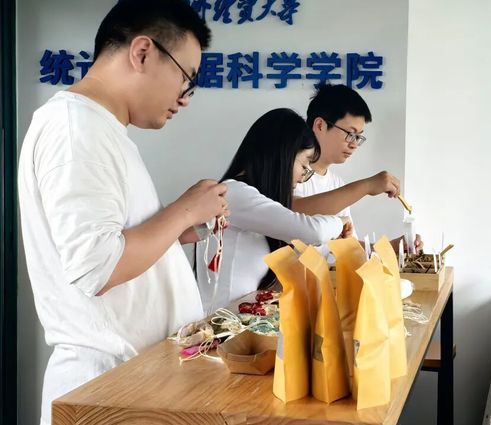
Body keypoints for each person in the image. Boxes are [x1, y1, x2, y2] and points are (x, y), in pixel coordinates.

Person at [17, 1, 226, 423]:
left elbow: (117, 242)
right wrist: (184, 210)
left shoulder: (100, 128)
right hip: (106, 389)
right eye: (185, 77)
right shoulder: (76, 128)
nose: (185, 98)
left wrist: (181, 228)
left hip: (129, 385)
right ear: (143, 52)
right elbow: (98, 266)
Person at [196, 108, 350, 313]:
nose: (302, 177)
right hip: (220, 322)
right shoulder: (235, 193)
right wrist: (340, 221)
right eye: (304, 166)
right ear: (283, 156)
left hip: (239, 317)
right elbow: (313, 231)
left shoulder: (252, 198)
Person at [292, 83, 423, 252]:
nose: (354, 144)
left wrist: (393, 247)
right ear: (320, 126)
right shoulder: (290, 171)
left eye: (358, 137)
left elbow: (346, 246)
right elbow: (292, 216)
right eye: (350, 134)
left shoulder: (336, 184)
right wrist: (367, 186)